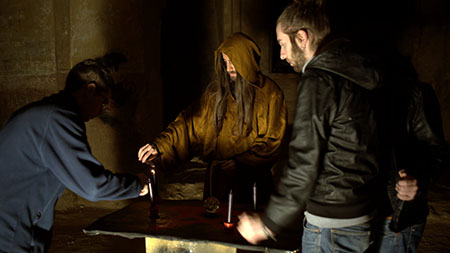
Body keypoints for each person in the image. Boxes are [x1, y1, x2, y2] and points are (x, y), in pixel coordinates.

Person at [237, 1, 385, 252]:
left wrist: (268, 223)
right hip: (362, 216)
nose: (282, 54)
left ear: (301, 38)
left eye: (282, 44)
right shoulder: (358, 72)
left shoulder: (319, 79)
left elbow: (305, 160)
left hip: (331, 226)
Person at [0, 56, 149, 252]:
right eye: (102, 103)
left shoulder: (43, 113)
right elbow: (92, 187)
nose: (100, 111)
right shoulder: (58, 118)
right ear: (90, 90)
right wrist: (138, 184)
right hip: (10, 238)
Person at [138, 32, 287, 205]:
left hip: (252, 183)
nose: (230, 68)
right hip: (218, 184)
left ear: (246, 60)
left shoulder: (271, 95)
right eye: (226, 62)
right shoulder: (214, 95)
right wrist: (159, 147)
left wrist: (240, 163)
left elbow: (272, 141)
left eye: (234, 61)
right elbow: (188, 127)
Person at [370, 58, 450, 252]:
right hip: (359, 219)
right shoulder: (354, 91)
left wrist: (418, 180)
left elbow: (436, 150)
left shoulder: (414, 93)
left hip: (394, 218)